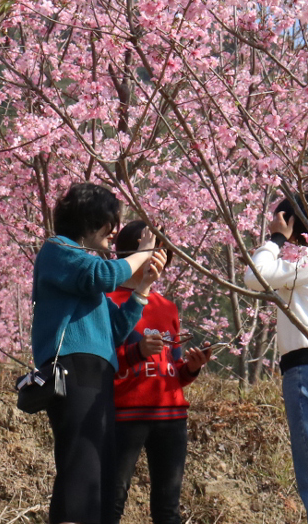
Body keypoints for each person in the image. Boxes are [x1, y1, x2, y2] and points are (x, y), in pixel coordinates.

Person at [32, 182, 165, 524]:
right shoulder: (58, 251)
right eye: (110, 224)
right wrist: (140, 255)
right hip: (73, 369)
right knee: (82, 464)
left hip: (96, 373)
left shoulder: (82, 274)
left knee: (93, 466)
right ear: (92, 221)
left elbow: (116, 331)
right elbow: (103, 275)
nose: (113, 233)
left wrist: (143, 287)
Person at [243, 192, 308, 524]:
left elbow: (254, 276)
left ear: (292, 223)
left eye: (280, 219)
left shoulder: (307, 259)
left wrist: (275, 239)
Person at [104, 220, 212, 524]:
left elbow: (174, 369)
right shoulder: (106, 301)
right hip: (125, 414)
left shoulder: (167, 307)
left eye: (164, 255)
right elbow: (102, 362)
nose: (158, 261)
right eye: (152, 251)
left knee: (168, 507)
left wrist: (191, 368)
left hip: (171, 416)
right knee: (113, 498)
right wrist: (137, 352)